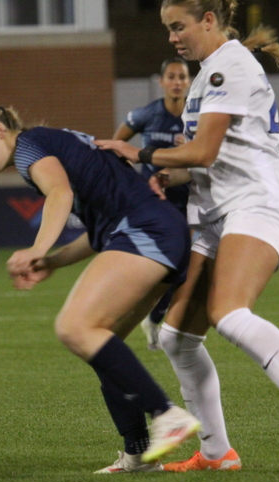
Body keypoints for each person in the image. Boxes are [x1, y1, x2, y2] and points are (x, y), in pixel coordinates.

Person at [96, 0, 279, 473]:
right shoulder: (210, 70)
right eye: (168, 28)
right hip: (215, 213)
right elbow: (208, 159)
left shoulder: (226, 67)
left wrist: (141, 153)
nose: (172, 37)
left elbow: (205, 151)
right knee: (176, 338)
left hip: (257, 206)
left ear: (208, 20)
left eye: (178, 26)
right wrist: (167, 178)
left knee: (228, 313)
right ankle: (216, 453)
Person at [0, 101, 201, 473]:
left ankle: (167, 414)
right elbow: (101, 234)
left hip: (147, 230)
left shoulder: (28, 148)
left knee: (73, 327)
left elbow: (59, 194)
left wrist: (38, 247)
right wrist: (51, 261)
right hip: (157, 229)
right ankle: (137, 454)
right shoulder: (52, 146)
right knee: (102, 347)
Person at [112, 56, 191, 351]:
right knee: (159, 269)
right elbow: (117, 147)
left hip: (188, 201)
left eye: (182, 77)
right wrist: (131, 185)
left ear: (189, 81)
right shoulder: (146, 115)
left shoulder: (197, 118)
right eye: (171, 76)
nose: (176, 82)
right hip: (153, 206)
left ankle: (153, 318)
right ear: (161, 81)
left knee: (181, 271)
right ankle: (126, 321)